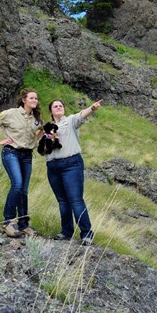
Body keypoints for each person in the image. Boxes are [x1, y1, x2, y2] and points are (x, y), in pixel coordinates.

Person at [0, 88, 43, 238]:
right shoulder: (11, 113)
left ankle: (23, 224)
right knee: (17, 184)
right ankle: (8, 222)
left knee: (24, 190)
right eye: (31, 98)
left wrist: (35, 141)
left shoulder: (36, 119)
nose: (34, 101)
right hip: (11, 152)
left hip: (27, 155)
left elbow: (41, 130)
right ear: (24, 100)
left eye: (36, 98)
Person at [45, 98, 103, 246]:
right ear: (51, 111)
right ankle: (66, 232)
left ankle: (86, 233)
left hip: (71, 164)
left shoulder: (70, 121)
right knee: (62, 201)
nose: (58, 107)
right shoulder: (47, 128)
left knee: (75, 200)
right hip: (52, 166)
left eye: (61, 105)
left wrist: (92, 108)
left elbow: (81, 115)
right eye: (55, 106)